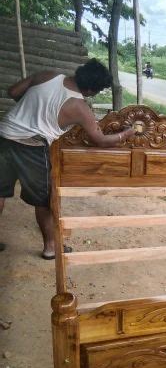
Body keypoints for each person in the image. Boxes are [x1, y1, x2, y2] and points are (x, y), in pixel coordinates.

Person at [0, 58, 134, 259]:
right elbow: (101, 140)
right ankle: (51, 248)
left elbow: (13, 92)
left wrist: (32, 108)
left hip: (3, 134)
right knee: (44, 200)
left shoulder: (48, 75)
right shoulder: (80, 107)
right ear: (90, 89)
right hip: (31, 146)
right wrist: (126, 134)